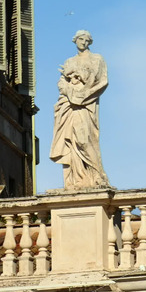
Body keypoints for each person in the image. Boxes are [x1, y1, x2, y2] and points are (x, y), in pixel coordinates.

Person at [50, 30, 110, 189]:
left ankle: (97, 175)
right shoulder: (69, 61)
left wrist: (82, 94)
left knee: (84, 139)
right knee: (71, 141)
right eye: (80, 39)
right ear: (75, 40)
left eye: (86, 40)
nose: (83, 42)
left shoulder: (97, 59)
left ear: (90, 42)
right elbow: (61, 82)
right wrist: (68, 89)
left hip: (85, 105)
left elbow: (103, 82)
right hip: (69, 105)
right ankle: (75, 180)